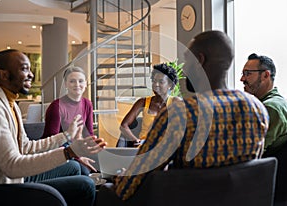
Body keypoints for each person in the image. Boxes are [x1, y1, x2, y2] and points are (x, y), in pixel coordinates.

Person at [112, 30, 269, 201]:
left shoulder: (182, 113)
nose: (184, 67)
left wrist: (119, 177)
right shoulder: (256, 110)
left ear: (200, 60)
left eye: (187, 60)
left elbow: (128, 186)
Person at [0, 49, 107, 206]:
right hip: (3, 186)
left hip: (16, 176)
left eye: (30, 69)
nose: (31, 74)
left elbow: (25, 146)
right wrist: (69, 152)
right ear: (3, 75)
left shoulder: (11, 103)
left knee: (73, 167)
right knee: (86, 184)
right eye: (24, 69)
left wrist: (67, 136)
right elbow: (11, 166)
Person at [40, 66, 94, 175]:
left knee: (104, 164)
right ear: (65, 84)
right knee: (84, 170)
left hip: (78, 147)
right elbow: (52, 141)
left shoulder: (87, 103)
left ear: (86, 83)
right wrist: (78, 158)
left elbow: (89, 134)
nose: (77, 85)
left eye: (80, 81)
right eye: (72, 81)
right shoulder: (56, 106)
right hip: (60, 150)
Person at [118, 63, 181, 147]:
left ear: (170, 85)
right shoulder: (142, 102)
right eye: (154, 81)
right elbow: (124, 126)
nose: (156, 84)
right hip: (144, 147)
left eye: (161, 82)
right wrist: (135, 140)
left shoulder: (176, 102)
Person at [240, 53, 287, 156]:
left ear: (265, 75)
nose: (242, 79)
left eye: (248, 74)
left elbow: (252, 153)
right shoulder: (277, 102)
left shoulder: (270, 108)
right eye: (242, 74)